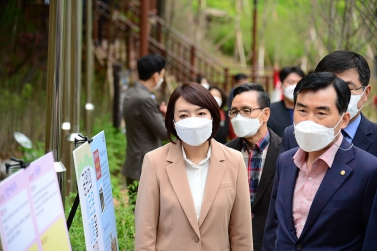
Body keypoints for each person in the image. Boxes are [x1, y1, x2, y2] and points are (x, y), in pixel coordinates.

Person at [263, 72, 377, 251]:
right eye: (302, 111)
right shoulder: (285, 161)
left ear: (344, 119)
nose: (309, 121)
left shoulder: (368, 169)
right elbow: (274, 227)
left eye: (321, 113)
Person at [134, 82, 253, 251]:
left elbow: (241, 233)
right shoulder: (154, 162)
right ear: (173, 121)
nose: (193, 121)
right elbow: (145, 234)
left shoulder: (234, 160)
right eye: (183, 115)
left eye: (201, 113)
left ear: (212, 117)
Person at [280, 50, 377, 157]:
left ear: (366, 93)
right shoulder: (293, 134)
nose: (337, 96)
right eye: (327, 88)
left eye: (348, 88)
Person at [226, 83, 281, 251]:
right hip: (232, 243)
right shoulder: (225, 152)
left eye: (246, 111)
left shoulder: (286, 151)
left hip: (272, 243)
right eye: (234, 112)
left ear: (265, 114)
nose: (238, 117)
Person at [122, 54, 168, 195]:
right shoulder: (144, 99)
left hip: (134, 162)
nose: (161, 79)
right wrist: (171, 117)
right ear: (155, 76)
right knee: (145, 214)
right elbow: (164, 132)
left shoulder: (133, 93)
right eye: (162, 75)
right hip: (143, 165)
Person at [267, 66, 305, 137]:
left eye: (299, 83)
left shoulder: (312, 111)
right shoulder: (270, 111)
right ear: (281, 86)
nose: (295, 86)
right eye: (291, 82)